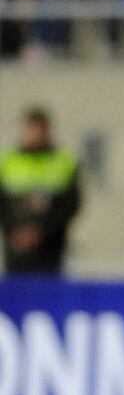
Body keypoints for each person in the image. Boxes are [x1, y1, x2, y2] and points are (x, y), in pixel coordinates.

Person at [0, 107, 81, 274]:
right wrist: (16, 232)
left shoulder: (64, 161)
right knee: (17, 296)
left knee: (50, 295)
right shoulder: (8, 161)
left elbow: (71, 205)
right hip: (16, 247)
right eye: (32, 128)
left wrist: (41, 232)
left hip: (51, 247)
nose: (36, 134)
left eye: (40, 129)